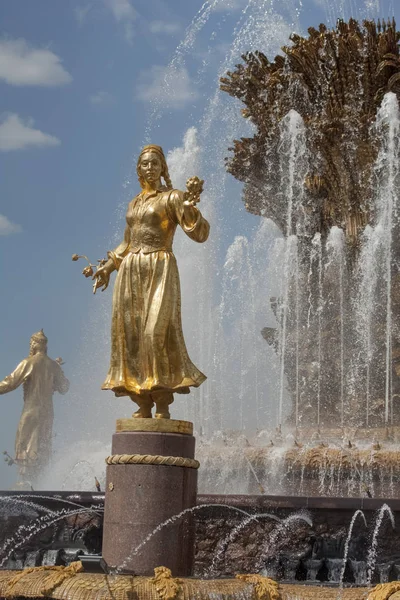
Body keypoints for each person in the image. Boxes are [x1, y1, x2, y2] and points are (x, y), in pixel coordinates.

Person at [93, 144, 210, 419]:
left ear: (162, 168)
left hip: (160, 266)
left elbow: (200, 234)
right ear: (139, 169)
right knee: (131, 337)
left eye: (154, 163)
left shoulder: (172, 198)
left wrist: (191, 209)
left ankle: (162, 402)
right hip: (131, 270)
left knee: (154, 333)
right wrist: (107, 268)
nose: (149, 168)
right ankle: (142, 402)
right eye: (145, 164)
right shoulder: (134, 203)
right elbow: (126, 243)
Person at [0, 330, 69, 481]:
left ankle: (26, 483)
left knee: (25, 444)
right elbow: (65, 387)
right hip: (47, 413)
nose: (30, 346)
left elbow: (10, 382)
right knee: (42, 444)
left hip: (31, 412)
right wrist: (56, 374)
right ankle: (38, 481)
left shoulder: (28, 363)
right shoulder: (53, 366)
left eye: (31, 343)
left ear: (36, 344)